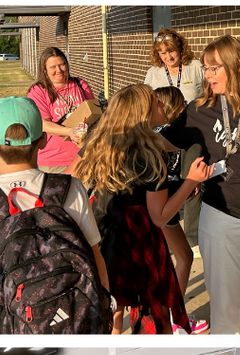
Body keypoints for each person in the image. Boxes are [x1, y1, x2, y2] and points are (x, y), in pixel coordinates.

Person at [159, 35, 240, 334]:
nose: (208, 75)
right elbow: (164, 142)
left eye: (215, 68)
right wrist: (125, 132)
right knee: (225, 310)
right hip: (222, 216)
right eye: (205, 68)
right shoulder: (201, 108)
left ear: (237, 65)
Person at [0, 96, 109, 334]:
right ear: (43, 140)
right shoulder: (70, 188)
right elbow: (95, 260)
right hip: (75, 320)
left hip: (13, 327)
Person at [74, 84, 212, 334]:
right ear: (144, 112)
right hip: (139, 241)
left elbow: (69, 180)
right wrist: (191, 180)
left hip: (103, 235)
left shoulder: (101, 142)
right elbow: (159, 217)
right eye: (157, 103)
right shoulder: (150, 154)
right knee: (149, 317)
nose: (162, 106)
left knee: (113, 308)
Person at [152, 84, 200, 306]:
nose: (184, 108)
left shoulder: (154, 132)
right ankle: (174, 314)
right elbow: (167, 176)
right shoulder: (165, 135)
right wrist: (188, 184)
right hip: (163, 204)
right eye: (181, 104)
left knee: (177, 257)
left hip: (160, 201)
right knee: (183, 257)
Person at [28, 47, 97, 172]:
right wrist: (69, 132)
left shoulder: (81, 84)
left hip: (84, 157)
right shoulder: (38, 91)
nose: (58, 70)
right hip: (54, 161)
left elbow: (95, 114)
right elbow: (43, 124)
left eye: (62, 65)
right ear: (44, 70)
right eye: (52, 67)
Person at [144, 29, 205, 103]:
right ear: (158, 54)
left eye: (172, 51)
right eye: (163, 53)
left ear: (180, 49)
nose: (169, 57)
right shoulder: (152, 73)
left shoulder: (196, 67)